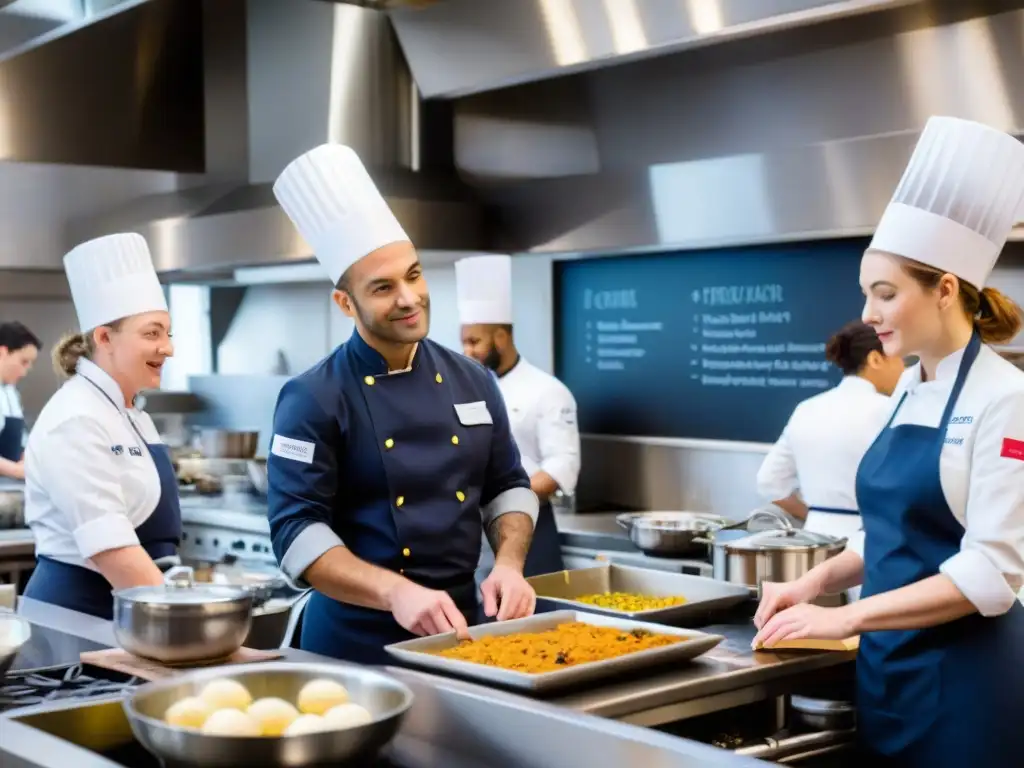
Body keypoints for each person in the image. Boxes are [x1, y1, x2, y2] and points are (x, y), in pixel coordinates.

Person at [753, 116, 1024, 766]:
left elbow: (991, 573)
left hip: (967, 684)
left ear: (947, 291)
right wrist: (816, 583)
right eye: (865, 295)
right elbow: (895, 530)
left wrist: (845, 618)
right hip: (889, 672)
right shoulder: (907, 388)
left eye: (884, 294)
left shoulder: (1005, 400)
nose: (868, 316)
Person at [267, 144, 539, 665]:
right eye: (384, 287)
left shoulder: (473, 379)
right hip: (353, 646)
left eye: (414, 275)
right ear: (346, 304)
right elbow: (296, 532)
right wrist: (396, 592)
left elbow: (508, 488)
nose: (410, 298)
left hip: (462, 636)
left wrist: (508, 564)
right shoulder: (313, 396)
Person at [22, 233, 180, 619]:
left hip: (134, 610)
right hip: (80, 618)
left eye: (168, 333)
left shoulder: (130, 413)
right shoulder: (77, 418)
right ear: (105, 337)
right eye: (152, 333)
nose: (169, 347)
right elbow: (115, 552)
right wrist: (184, 625)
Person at [455, 254, 580, 580]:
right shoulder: (463, 390)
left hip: (531, 526)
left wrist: (508, 497)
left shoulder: (547, 391)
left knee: (533, 621)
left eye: (474, 342)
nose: (466, 351)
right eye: (463, 342)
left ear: (501, 337)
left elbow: (561, 465)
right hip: (473, 532)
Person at [756, 320, 903, 547]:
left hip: (813, 539)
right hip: (870, 540)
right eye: (899, 359)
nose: (904, 369)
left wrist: (816, 514)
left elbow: (768, 482)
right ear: (875, 359)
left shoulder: (806, 408)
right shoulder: (890, 409)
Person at [0, 322, 40, 480]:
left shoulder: (10, 392)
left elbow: (20, 440)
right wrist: (17, 471)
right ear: (3, 353)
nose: (25, 371)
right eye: (24, 362)